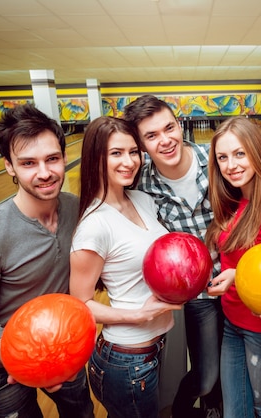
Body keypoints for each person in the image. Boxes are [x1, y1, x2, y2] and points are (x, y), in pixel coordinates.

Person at [123, 96, 261, 418]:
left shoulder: (216, 159)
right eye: (151, 136)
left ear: (180, 124)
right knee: (208, 375)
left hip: (244, 289)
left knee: (252, 394)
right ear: (141, 144)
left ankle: (215, 409)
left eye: (169, 127)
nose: (165, 140)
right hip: (201, 293)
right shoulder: (142, 182)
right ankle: (193, 408)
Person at [0, 103, 94, 418]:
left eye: (52, 159)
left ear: (64, 157)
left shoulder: (77, 210)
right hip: (0, 367)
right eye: (28, 163)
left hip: (62, 348)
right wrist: (25, 359)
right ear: (9, 166)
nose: (44, 173)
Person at [69, 116, 180, 418]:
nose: (129, 161)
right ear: (96, 159)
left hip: (154, 347)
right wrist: (138, 315)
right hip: (125, 360)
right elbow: (80, 304)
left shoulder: (143, 200)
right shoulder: (94, 225)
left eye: (133, 151)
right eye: (116, 153)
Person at [205, 117, 261, 418]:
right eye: (223, 157)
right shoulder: (231, 201)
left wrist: (238, 275)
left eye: (240, 153)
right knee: (235, 412)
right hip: (232, 321)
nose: (231, 165)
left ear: (257, 153)